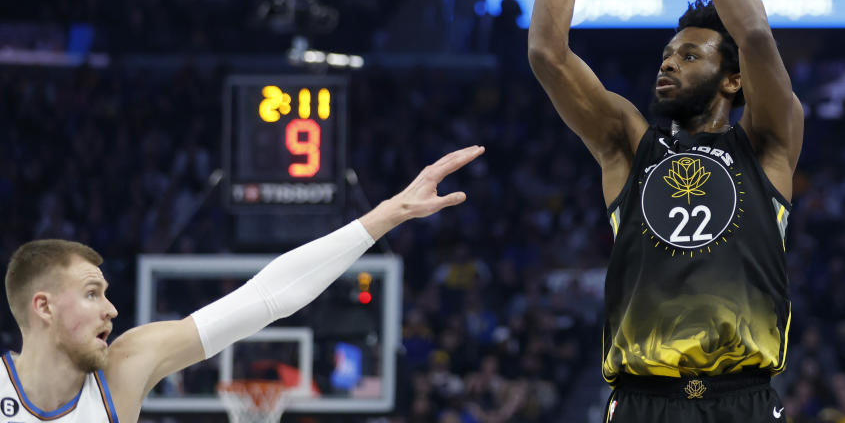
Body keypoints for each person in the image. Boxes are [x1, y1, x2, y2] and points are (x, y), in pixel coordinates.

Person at [527, 0, 803, 422]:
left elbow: (753, 32)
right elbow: (547, 53)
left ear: (733, 80)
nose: (668, 64)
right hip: (642, 403)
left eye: (689, 55)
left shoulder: (768, 144)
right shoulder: (629, 145)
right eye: (664, 56)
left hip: (744, 400)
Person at [1, 145, 484, 423]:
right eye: (92, 294)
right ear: (42, 306)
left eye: (105, 293)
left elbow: (266, 296)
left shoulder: (125, 369)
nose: (112, 310)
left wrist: (386, 215)